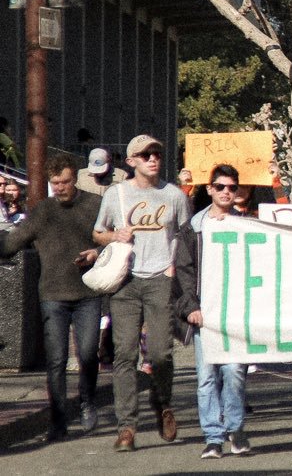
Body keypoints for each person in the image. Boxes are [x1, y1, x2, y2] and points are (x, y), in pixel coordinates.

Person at [92, 135, 192, 452]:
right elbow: (97, 231)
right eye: (145, 154)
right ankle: (127, 428)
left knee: (161, 352)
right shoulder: (116, 194)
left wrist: (175, 269)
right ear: (132, 160)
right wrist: (112, 235)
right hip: (126, 280)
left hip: (161, 279)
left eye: (157, 153)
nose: (153, 158)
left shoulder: (174, 195)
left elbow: (187, 236)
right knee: (124, 354)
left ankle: (161, 402)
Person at [0, 155, 103, 441]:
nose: (60, 188)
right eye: (55, 183)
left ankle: (87, 400)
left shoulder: (94, 205)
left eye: (65, 182)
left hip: (88, 292)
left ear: (75, 180)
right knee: (56, 361)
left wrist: (98, 251)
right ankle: (58, 421)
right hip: (53, 295)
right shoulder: (43, 211)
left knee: (87, 353)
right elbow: (12, 243)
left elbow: (111, 240)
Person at [174, 164, 252, 459]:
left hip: (234, 314)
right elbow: (184, 271)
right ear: (209, 190)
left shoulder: (247, 225)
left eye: (232, 188)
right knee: (206, 377)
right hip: (204, 314)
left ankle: (235, 429)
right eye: (220, 187)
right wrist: (191, 308)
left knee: (235, 373)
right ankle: (213, 437)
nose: (226, 192)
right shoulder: (193, 228)